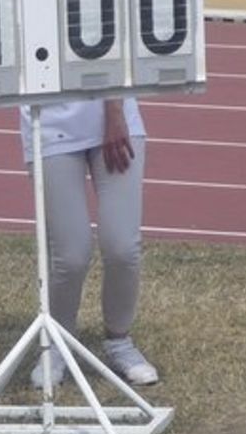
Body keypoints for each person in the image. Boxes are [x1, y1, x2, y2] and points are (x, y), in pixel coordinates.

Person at [19, 97, 158, 389]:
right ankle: (57, 346)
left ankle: (119, 342)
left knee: (122, 248)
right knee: (70, 256)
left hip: (113, 113)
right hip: (49, 119)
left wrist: (114, 111)